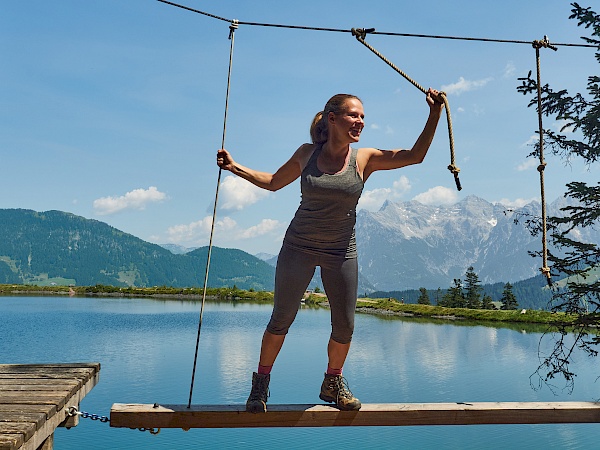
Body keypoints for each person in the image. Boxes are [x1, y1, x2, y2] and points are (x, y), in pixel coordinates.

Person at [217, 89, 444, 413]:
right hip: (298, 247)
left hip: (341, 251)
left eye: (363, 117)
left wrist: (433, 114)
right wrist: (234, 166)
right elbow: (272, 182)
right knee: (281, 319)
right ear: (332, 119)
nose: (360, 122)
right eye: (354, 115)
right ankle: (260, 387)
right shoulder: (307, 153)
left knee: (345, 326)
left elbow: (415, 155)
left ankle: (332, 382)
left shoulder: (364, 159)